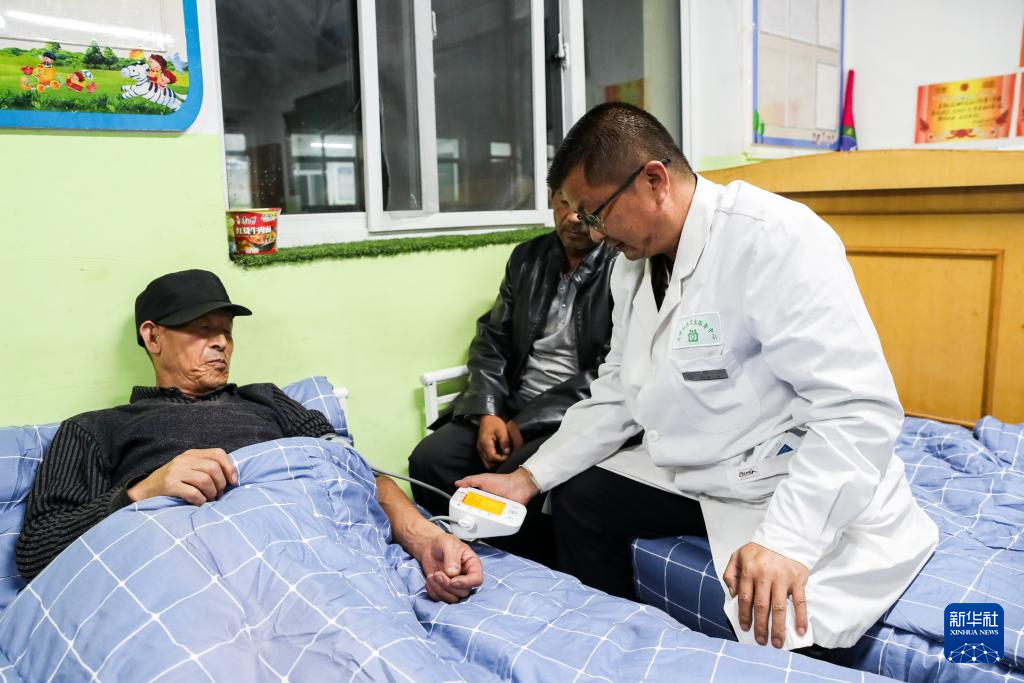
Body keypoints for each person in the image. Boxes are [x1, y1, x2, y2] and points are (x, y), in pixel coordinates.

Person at [458, 102, 938, 651]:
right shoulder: (631, 267)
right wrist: (527, 478)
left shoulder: (776, 238)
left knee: (788, 619)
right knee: (576, 499)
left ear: (654, 181)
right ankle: (615, 647)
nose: (591, 233)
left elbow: (857, 408)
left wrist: (786, 542)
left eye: (596, 214)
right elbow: (617, 391)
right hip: (701, 464)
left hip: (782, 472)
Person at [16, 269, 482, 604]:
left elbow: (353, 475)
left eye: (226, 331)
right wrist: (143, 491)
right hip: (195, 581)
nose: (221, 342)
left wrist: (424, 538)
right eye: (201, 329)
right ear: (152, 337)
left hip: (314, 561)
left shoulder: (268, 399)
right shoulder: (96, 428)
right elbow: (37, 551)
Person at [407, 189, 616, 566]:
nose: (573, 217)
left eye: (584, 208)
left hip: (571, 413)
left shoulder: (624, 265)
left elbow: (611, 370)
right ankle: (458, 551)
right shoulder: (527, 258)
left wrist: (524, 423)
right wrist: (487, 410)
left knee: (507, 480)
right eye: (565, 203)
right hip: (509, 403)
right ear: (551, 199)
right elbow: (492, 340)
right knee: (430, 459)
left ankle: (522, 569)